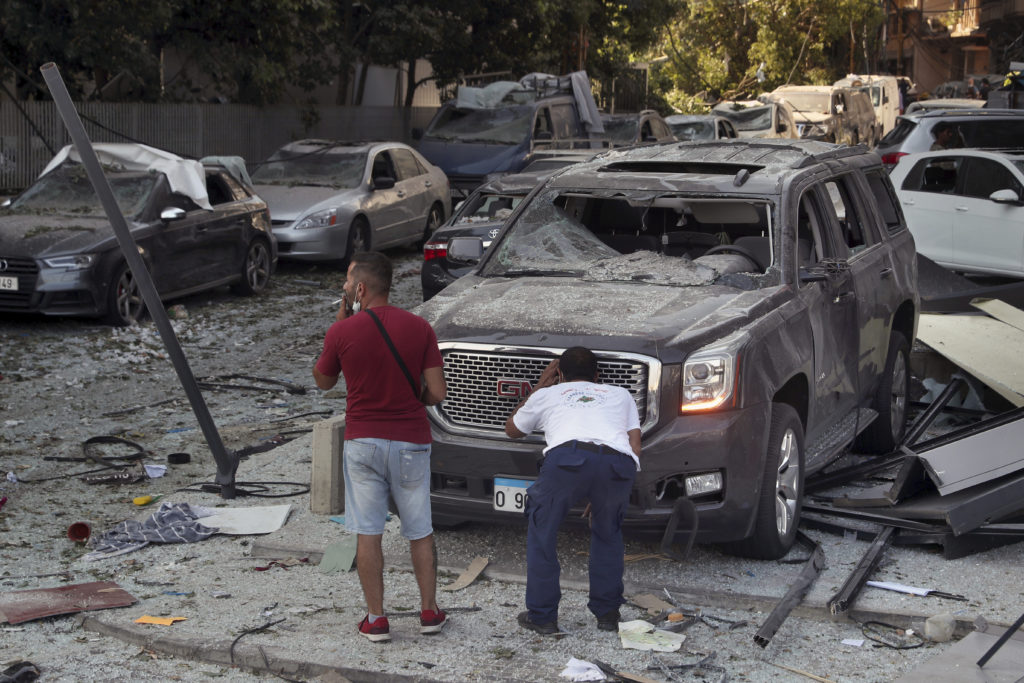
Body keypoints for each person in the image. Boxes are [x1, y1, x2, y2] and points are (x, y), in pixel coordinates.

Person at [313, 251, 448, 643]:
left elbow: (323, 382)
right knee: (419, 530)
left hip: (363, 443)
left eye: (346, 286)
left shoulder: (342, 332)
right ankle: (429, 612)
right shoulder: (420, 327)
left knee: (368, 532)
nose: (343, 291)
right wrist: (410, 397)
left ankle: (376, 619)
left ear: (359, 288)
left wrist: (343, 317)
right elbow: (437, 392)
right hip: (411, 443)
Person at [505, 346, 641, 635]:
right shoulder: (620, 394)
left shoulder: (548, 393)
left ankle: (543, 617)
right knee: (609, 535)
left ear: (561, 375)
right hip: (617, 463)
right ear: (597, 375)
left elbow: (512, 430)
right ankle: (607, 615)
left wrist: (539, 386)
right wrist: (606, 489)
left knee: (543, 534)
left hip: (568, 460)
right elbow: (634, 443)